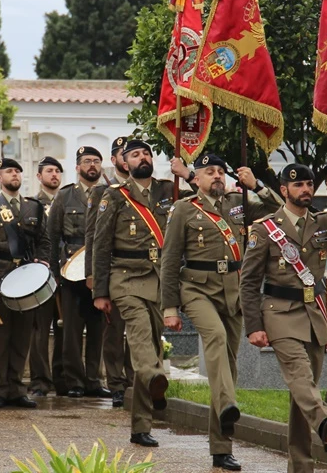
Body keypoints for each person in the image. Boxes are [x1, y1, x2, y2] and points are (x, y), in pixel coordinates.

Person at [242, 163, 327, 472]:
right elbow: (248, 282)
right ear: (284, 190)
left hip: (314, 316)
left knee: (303, 393)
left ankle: (301, 466)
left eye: (310, 185)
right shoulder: (264, 228)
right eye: (298, 185)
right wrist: (254, 326)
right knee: (300, 378)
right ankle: (326, 419)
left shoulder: (324, 224)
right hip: (279, 314)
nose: (306, 190)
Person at [160, 154, 280, 470]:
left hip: (234, 291)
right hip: (197, 289)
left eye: (220, 172)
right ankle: (228, 403)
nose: (216, 176)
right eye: (208, 172)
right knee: (214, 337)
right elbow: (170, 260)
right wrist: (169, 307)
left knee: (227, 363)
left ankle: (221, 446)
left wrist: (257, 186)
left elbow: (281, 213)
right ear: (195, 179)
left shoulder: (239, 203)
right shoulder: (183, 209)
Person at [91, 139, 181, 447]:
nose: (142, 157)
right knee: (142, 340)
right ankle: (156, 380)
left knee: (153, 350)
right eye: (135, 154)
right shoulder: (113, 197)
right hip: (125, 280)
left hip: (159, 280)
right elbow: (100, 246)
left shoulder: (170, 191)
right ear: (124, 163)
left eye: (147, 153)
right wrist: (99, 291)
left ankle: (141, 426)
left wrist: (189, 174)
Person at [0, 158, 51, 409]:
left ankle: (17, 388)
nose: (14, 174)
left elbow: (44, 241)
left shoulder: (33, 207)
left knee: (22, 335)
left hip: (26, 279)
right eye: (9, 171)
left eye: (17, 170)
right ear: (0, 178)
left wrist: (44, 263)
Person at [48, 146, 110, 399]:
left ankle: (94, 379)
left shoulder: (109, 194)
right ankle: (74, 380)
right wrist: (54, 273)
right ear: (77, 167)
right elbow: (52, 237)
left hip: (100, 269)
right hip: (71, 271)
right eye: (87, 161)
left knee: (97, 329)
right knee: (72, 330)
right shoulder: (65, 197)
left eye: (96, 161)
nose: (92, 165)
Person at [84, 136, 134, 408]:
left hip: (144, 271)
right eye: (124, 154)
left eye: (133, 154)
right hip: (114, 270)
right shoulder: (101, 191)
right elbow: (93, 237)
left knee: (141, 331)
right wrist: (94, 276)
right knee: (114, 331)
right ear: (114, 160)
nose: (129, 159)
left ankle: (137, 380)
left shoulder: (146, 188)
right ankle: (116, 383)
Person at [28, 155, 65, 397]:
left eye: (57, 171)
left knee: (65, 329)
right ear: (39, 176)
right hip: (41, 276)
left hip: (66, 274)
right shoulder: (32, 204)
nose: (54, 175)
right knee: (39, 330)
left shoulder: (69, 201)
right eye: (49, 171)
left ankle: (63, 380)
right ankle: (40, 380)